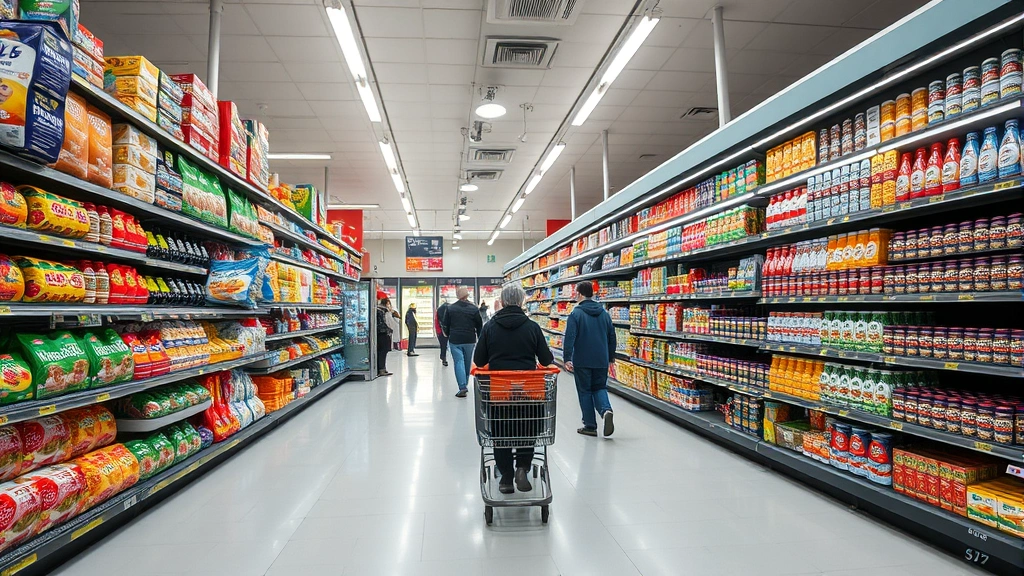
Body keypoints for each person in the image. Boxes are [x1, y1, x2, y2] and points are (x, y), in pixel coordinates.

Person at [474, 283, 554, 494]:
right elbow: (546, 360)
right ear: (521, 301)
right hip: (528, 392)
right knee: (527, 428)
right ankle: (522, 468)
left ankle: (506, 478)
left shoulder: (490, 327)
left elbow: (479, 360)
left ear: (503, 300)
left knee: (500, 433)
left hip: (499, 393)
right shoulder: (532, 327)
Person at [563, 281, 616, 438]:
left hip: (583, 360)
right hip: (601, 358)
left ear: (579, 294)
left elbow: (570, 337)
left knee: (585, 391)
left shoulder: (576, 314)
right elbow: (612, 336)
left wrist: (567, 358)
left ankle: (590, 426)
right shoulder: (604, 313)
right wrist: (611, 356)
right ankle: (606, 410)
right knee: (600, 387)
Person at [442, 287, 482, 398]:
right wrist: (480, 338)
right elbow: (479, 325)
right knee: (467, 361)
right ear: (467, 295)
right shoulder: (474, 309)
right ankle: (465, 383)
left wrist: (447, 334)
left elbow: (445, 324)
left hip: (455, 339)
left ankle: (462, 386)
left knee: (458, 361)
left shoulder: (450, 308)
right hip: (469, 339)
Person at [375, 297, 398, 377]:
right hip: (383, 333)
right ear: (386, 303)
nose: (389, 305)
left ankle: (382, 368)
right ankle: (381, 369)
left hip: (380, 334)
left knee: (382, 351)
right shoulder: (383, 311)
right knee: (383, 351)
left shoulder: (379, 310)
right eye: (388, 303)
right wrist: (389, 329)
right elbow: (386, 323)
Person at [435, 299, 450, 367]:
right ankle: (443, 357)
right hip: (448, 331)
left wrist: (438, 331)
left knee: (443, 345)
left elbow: (436, 321)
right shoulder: (449, 310)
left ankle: (443, 357)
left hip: (440, 331)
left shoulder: (439, 310)